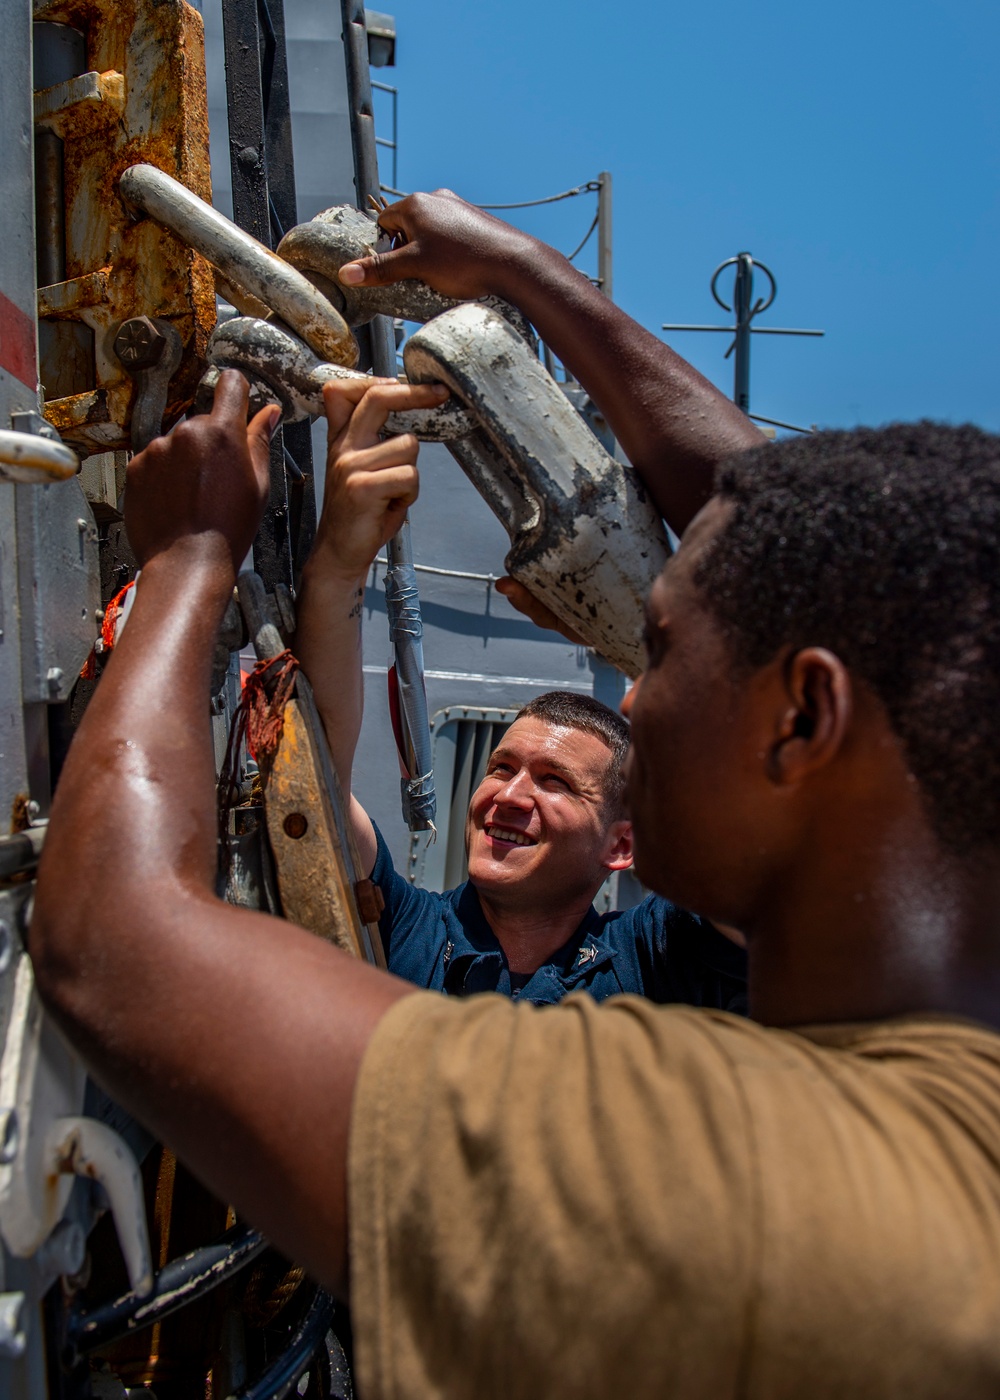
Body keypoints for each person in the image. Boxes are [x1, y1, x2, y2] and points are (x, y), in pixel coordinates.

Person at [29, 221, 1000, 1395]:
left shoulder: (705, 1174)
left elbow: (114, 941)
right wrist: (529, 280)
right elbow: (859, 582)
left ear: (801, 720)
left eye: (658, 644)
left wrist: (188, 559)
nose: (632, 688)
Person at [293, 381, 746, 1009]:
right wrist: (340, 563)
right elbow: (317, 768)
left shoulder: (660, 961)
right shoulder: (403, 928)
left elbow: (773, 870)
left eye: (555, 782)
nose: (508, 796)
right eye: (501, 768)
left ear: (621, 845)